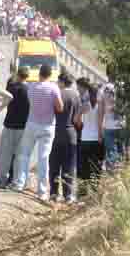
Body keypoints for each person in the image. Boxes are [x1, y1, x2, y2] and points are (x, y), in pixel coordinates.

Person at [12, 63, 63, 199]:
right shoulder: (54, 88)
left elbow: (30, 102)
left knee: (25, 154)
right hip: (47, 126)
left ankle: (20, 183)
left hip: (32, 123)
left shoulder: (31, 86)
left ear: (39, 73)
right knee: (43, 158)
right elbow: (59, 107)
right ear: (50, 75)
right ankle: (42, 191)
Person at [0, 65, 30, 188]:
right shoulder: (29, 91)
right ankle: (17, 182)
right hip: (23, 127)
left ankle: (2, 180)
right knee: (20, 155)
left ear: (17, 75)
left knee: (5, 155)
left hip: (9, 124)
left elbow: (6, 94)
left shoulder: (11, 88)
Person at [49, 72, 80, 203]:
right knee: (69, 166)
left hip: (56, 132)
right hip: (71, 133)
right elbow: (77, 117)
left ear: (62, 81)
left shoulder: (58, 93)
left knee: (55, 164)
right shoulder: (76, 95)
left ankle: (54, 193)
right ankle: (68, 195)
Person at [76, 78, 103, 195]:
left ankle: (82, 191)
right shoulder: (99, 106)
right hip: (97, 139)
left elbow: (75, 119)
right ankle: (95, 189)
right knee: (96, 165)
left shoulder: (85, 105)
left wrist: (81, 125)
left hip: (85, 138)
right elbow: (101, 122)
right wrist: (101, 135)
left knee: (83, 167)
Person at [98, 72, 127, 171]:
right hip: (122, 124)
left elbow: (100, 112)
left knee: (111, 152)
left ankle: (112, 176)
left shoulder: (103, 89)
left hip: (109, 126)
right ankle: (121, 175)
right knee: (121, 151)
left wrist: (100, 129)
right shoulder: (124, 87)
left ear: (107, 73)